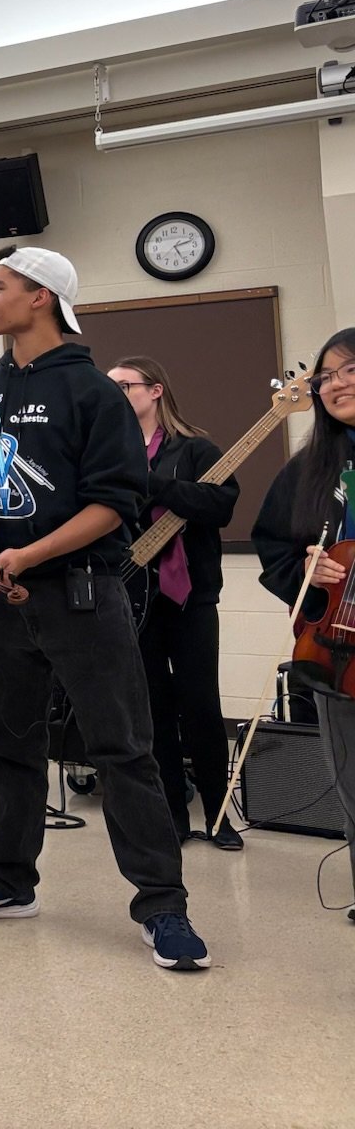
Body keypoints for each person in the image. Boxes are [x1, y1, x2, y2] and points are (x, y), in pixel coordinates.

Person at [0, 247, 207, 971]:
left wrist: (29, 554)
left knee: (122, 750)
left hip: (82, 594)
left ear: (41, 297)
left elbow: (114, 505)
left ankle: (163, 905)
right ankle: (6, 880)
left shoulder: (93, 394)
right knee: (8, 746)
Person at [108, 355, 241, 849]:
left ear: (155, 390)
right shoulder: (110, 452)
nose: (117, 395)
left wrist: (156, 484)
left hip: (191, 596)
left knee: (201, 704)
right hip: (133, 595)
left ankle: (219, 815)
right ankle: (173, 816)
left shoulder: (196, 449)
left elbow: (219, 506)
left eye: (125, 386)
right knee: (153, 708)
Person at [252, 327, 355, 908]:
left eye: (350, 370)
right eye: (326, 376)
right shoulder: (309, 469)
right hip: (339, 646)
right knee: (353, 780)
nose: (336, 385)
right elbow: (274, 547)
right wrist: (308, 571)